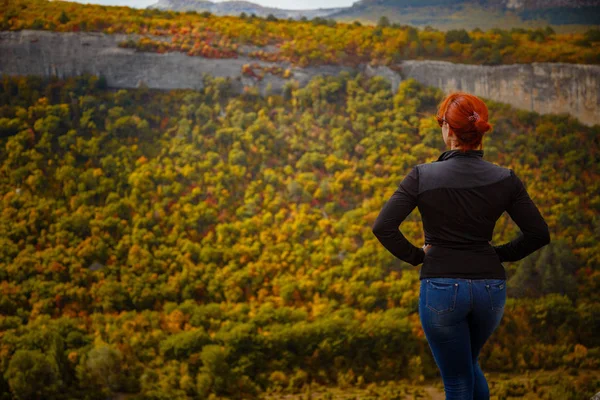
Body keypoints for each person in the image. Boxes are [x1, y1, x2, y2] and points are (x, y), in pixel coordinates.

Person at [371, 92, 551, 399]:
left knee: (456, 380)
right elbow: (538, 234)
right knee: (468, 365)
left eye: (442, 122)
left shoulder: (422, 175)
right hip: (490, 290)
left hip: (441, 286)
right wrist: (497, 254)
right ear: (479, 132)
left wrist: (417, 256)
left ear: (448, 130)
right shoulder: (505, 179)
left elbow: (383, 227)